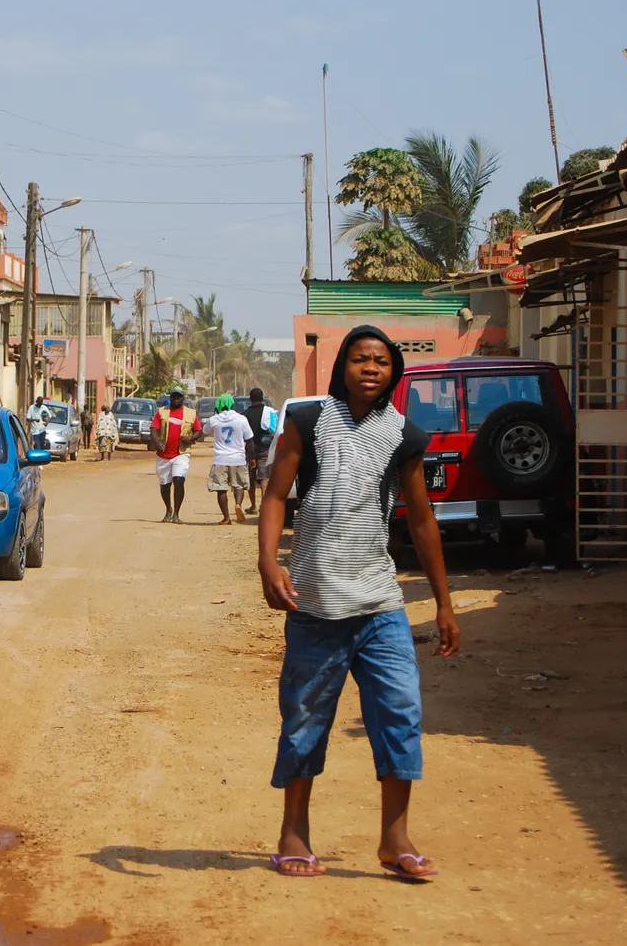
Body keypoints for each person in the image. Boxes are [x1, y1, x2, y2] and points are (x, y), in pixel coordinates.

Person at [255, 325, 459, 881]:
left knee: (400, 714)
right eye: (361, 359)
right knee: (304, 721)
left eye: (382, 362)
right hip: (316, 603)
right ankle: (293, 832)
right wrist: (269, 561)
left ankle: (395, 839)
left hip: (379, 604)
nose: (371, 369)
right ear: (343, 365)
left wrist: (443, 603)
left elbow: (421, 521)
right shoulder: (307, 423)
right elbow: (276, 495)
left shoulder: (404, 436)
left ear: (393, 373)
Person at [151, 387, 202, 523]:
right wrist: (157, 443)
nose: (175, 399)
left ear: (183, 398)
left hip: (181, 453)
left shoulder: (191, 413)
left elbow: (198, 431)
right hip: (163, 455)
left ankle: (177, 514)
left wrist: (191, 439)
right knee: (165, 485)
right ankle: (168, 509)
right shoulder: (161, 412)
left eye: (178, 397)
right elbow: (154, 430)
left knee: (179, 480)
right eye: (173, 397)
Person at [203, 393, 254, 525]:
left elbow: (204, 431)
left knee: (221, 489)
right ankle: (238, 504)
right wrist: (251, 457)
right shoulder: (241, 419)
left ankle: (226, 518)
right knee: (239, 485)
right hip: (238, 458)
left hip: (220, 459)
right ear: (232, 404)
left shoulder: (214, 419)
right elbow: (249, 441)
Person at [242, 387, 279, 515]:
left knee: (251, 479)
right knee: (264, 478)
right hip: (265, 449)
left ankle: (253, 506)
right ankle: (264, 505)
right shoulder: (268, 412)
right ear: (262, 398)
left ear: (250, 399)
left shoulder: (244, 415)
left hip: (250, 451)